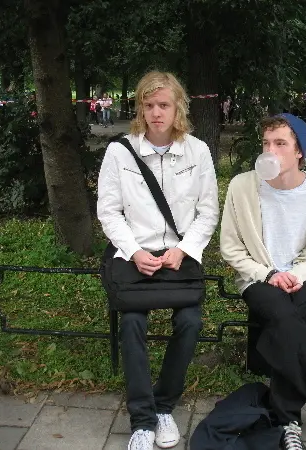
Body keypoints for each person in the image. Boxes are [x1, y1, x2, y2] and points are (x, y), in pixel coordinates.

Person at [97, 71, 219, 450]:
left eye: (163, 104)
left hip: (180, 255)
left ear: (178, 106)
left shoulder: (197, 151)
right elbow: (109, 210)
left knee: (191, 320)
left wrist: (183, 250)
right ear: (140, 108)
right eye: (148, 105)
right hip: (135, 256)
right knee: (132, 321)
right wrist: (134, 251)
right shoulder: (120, 151)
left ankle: (164, 405)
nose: (155, 112)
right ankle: (142, 420)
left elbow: (208, 211)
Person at [220, 113, 306, 450]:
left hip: (301, 276)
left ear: (299, 152)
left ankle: (288, 420)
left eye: (280, 143)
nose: (270, 151)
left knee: (288, 326)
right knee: (285, 317)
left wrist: (299, 273)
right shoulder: (242, 185)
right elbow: (230, 247)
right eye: (266, 143)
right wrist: (269, 274)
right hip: (258, 277)